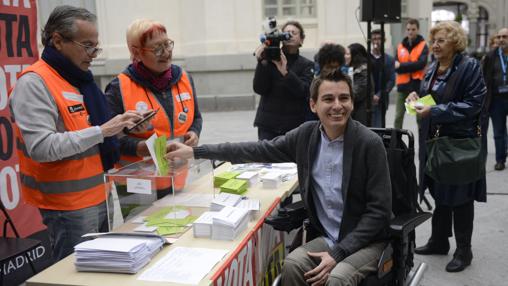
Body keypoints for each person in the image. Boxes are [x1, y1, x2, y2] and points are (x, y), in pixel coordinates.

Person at [167, 70, 392, 285]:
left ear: (352, 103)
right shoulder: (306, 136)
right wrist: (196, 152)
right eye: (328, 99)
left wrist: (339, 253)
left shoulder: (369, 144)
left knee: (337, 278)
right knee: (292, 264)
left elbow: (379, 212)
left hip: (366, 241)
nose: (337, 106)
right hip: (330, 236)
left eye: (344, 98)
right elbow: (255, 150)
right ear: (313, 105)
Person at [9, 5, 144, 261]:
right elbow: (42, 147)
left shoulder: (78, 78)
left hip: (99, 194)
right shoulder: (34, 83)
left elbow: (84, 130)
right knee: (74, 273)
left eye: (96, 46)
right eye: (87, 46)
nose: (93, 54)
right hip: (67, 206)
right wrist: (102, 131)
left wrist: (119, 126)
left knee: (99, 268)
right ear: (57, 40)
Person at [407, 21, 487, 273]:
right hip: (434, 143)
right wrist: (416, 99)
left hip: (458, 144)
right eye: (434, 40)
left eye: (441, 40)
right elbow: (433, 99)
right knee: (439, 191)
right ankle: (439, 240)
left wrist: (436, 110)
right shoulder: (433, 67)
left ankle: (464, 250)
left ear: (455, 42)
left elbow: (474, 103)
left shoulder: (469, 66)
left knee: (461, 197)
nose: (436, 45)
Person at [105, 19, 202, 169]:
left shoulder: (185, 78)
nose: (166, 52)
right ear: (136, 52)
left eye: (167, 44)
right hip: (138, 181)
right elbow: (111, 136)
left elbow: (196, 117)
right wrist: (141, 147)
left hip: (178, 174)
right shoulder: (118, 87)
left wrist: (194, 133)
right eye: (157, 48)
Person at [253, 20, 314, 140]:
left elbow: (303, 91)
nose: (290, 35)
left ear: (301, 39)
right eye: (286, 32)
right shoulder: (269, 60)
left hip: (294, 126)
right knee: (268, 158)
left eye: (294, 32)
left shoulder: (307, 65)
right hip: (268, 125)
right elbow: (259, 88)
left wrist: (286, 73)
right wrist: (262, 62)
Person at [394, 18, 429, 129]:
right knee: (398, 117)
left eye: (413, 29)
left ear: (417, 30)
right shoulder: (400, 46)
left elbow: (421, 64)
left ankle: (423, 145)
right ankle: (396, 144)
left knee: (420, 118)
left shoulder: (423, 45)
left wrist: (403, 66)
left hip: (417, 87)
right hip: (402, 87)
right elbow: (396, 67)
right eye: (408, 29)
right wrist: (411, 66)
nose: (410, 32)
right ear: (406, 30)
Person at [482, 27, 508, 171]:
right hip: (496, 99)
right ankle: (500, 160)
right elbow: (484, 77)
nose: (501, 40)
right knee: (498, 131)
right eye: (499, 37)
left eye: (504, 37)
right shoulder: (491, 56)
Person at [310, 43, 346, 121]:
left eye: (336, 67)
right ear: (322, 66)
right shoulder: (316, 82)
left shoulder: (345, 82)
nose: (332, 71)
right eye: (329, 67)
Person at [370, 29, 396, 128]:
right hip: (368, 100)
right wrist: (371, 95)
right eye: (374, 39)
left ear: (384, 40)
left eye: (379, 39)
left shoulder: (389, 60)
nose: (376, 41)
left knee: (379, 127)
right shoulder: (366, 58)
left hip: (381, 100)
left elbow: (392, 80)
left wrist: (379, 95)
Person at [346, 43, 374, 126]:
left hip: (360, 116)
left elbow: (356, 94)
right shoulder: (354, 70)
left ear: (355, 56)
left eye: (347, 54)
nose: (345, 56)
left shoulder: (363, 72)